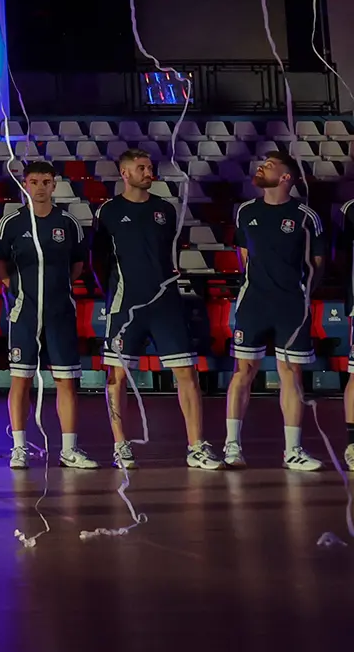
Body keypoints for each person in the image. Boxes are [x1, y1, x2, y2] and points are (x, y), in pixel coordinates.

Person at [93, 148, 218, 471]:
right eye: (142, 168)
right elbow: (98, 261)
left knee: (187, 373)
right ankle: (120, 446)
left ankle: (196, 446)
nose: (149, 172)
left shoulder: (165, 209)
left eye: (150, 167)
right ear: (125, 173)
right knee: (117, 376)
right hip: (126, 304)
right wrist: (113, 293)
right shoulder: (107, 211)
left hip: (166, 303)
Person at [0, 162, 98, 471]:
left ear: (54, 185)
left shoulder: (68, 222)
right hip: (24, 313)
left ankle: (69, 450)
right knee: (20, 380)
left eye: (46, 181)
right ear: (25, 185)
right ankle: (19, 448)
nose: (39, 187)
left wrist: (58, 287)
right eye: (34, 181)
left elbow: (78, 263)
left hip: (60, 313)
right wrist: (14, 286)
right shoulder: (11, 223)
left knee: (66, 381)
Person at [223, 150, 326, 471]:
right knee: (243, 372)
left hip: (291, 306)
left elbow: (317, 263)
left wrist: (300, 294)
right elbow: (243, 255)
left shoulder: (306, 216)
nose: (261, 168)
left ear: (285, 177)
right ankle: (232, 446)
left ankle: (293, 450)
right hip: (253, 303)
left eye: (269, 166)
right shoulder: (245, 211)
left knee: (291, 374)